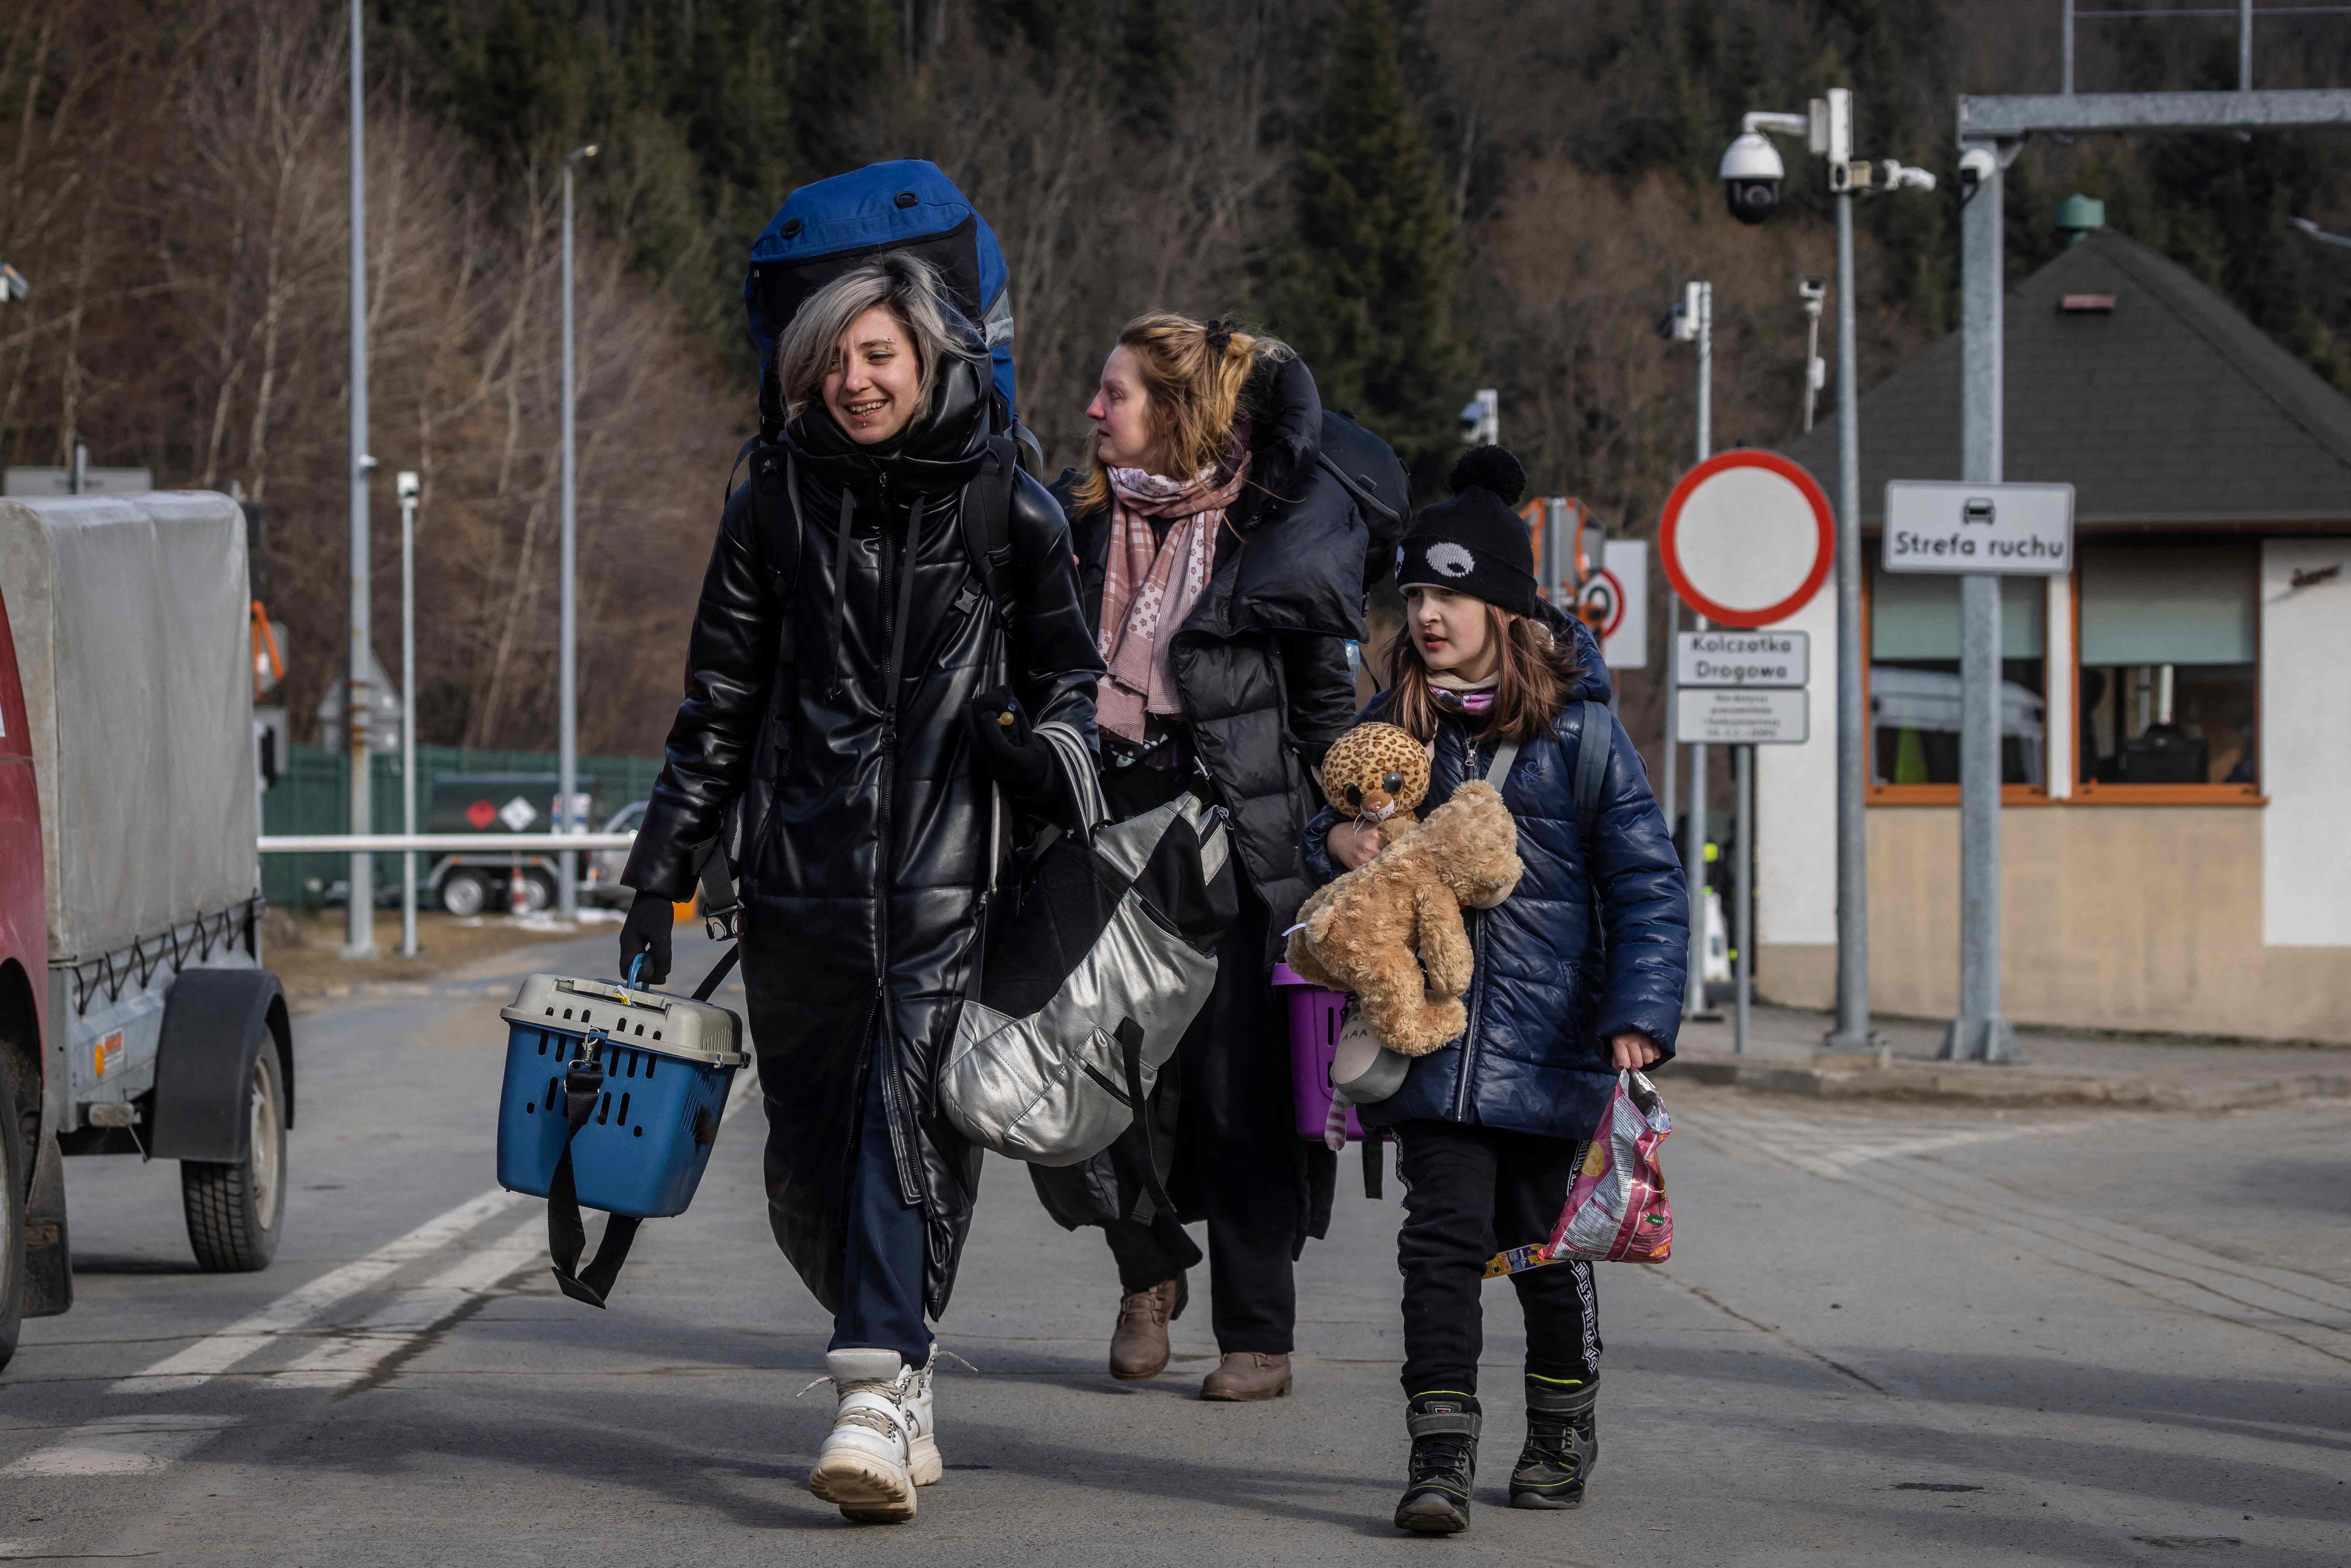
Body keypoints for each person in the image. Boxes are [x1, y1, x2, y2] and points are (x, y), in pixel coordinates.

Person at [617, 254, 1100, 1524]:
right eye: (831, 361)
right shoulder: (770, 501)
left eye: (876, 355)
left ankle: (872, 1392)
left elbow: (1073, 686)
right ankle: (907, 1360)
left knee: (906, 1129)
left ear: (928, 359)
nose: (853, 380)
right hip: (797, 883)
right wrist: (661, 867)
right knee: (811, 1162)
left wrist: (1033, 753)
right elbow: (716, 701)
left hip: (950, 881)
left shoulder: (1012, 503)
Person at [1303, 446, 1688, 1535]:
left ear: (1505, 608)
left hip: (1555, 1042)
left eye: (1451, 594)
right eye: (1415, 592)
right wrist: (1337, 837)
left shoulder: (1581, 735)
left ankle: (1562, 1426)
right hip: (1427, 1040)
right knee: (1437, 1243)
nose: (1427, 614)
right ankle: (1436, 1452)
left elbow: (1647, 883)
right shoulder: (1393, 728)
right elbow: (1313, 824)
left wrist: (1637, 1016)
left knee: (1539, 1251)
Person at [1028, 312, 1366, 1402]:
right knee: (1100, 1085)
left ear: (1176, 412)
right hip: (1103, 836)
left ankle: (1257, 1333)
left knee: (1238, 1094)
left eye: (1115, 392)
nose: (1093, 410)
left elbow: (1324, 702)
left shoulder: (1275, 532)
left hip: (1238, 849)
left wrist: (1346, 832)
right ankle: (1146, 1275)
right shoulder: (1079, 528)